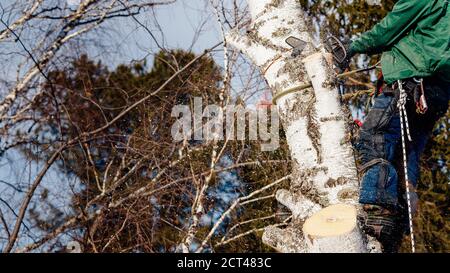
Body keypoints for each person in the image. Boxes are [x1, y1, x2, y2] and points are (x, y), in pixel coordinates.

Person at [341, 0, 449, 252]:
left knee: (374, 136)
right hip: (434, 92)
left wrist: (352, 46)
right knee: (405, 156)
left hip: (409, 82)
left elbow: (388, 30)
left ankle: (379, 209)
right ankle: (396, 225)